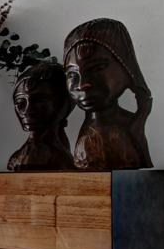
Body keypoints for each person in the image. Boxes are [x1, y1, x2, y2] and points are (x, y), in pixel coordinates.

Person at [63, 18, 153, 169]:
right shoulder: (88, 131)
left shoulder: (129, 126)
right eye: (72, 74)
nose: (83, 84)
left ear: (126, 67)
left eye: (97, 68)